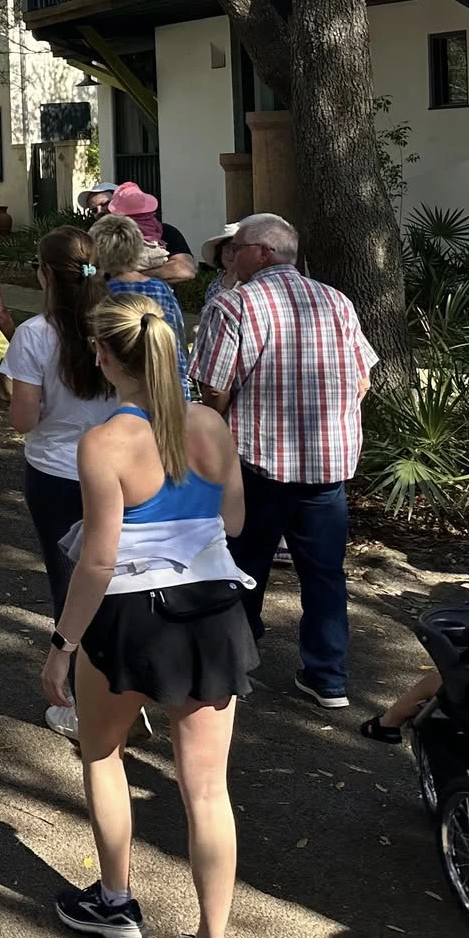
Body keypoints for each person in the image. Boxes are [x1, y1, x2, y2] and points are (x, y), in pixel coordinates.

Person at [43, 293, 252, 938]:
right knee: (208, 788)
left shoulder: (103, 442)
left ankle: (114, 901)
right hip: (213, 612)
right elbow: (237, 523)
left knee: (102, 753)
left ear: (104, 357)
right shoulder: (212, 428)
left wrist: (61, 645)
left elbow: (99, 560)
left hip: (132, 618)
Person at [191, 212, 376, 710]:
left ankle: (237, 662)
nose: (232, 257)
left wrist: (216, 436)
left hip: (258, 463)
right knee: (324, 574)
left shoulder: (235, 305)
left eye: (238, 247)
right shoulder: (337, 301)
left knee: (242, 564)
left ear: (263, 252)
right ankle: (328, 676)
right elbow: (363, 377)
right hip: (327, 468)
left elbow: (213, 386)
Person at [1, 227, 116, 738]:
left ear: (44, 273)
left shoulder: (34, 336)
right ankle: (121, 690)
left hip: (57, 471)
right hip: (120, 466)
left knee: (70, 586)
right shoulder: (122, 323)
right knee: (117, 576)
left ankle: (81, 703)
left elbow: (24, 420)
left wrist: (11, 396)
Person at [90, 214, 189, 388]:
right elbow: (178, 334)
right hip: (169, 380)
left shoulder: (104, 292)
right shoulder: (161, 287)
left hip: (128, 387)